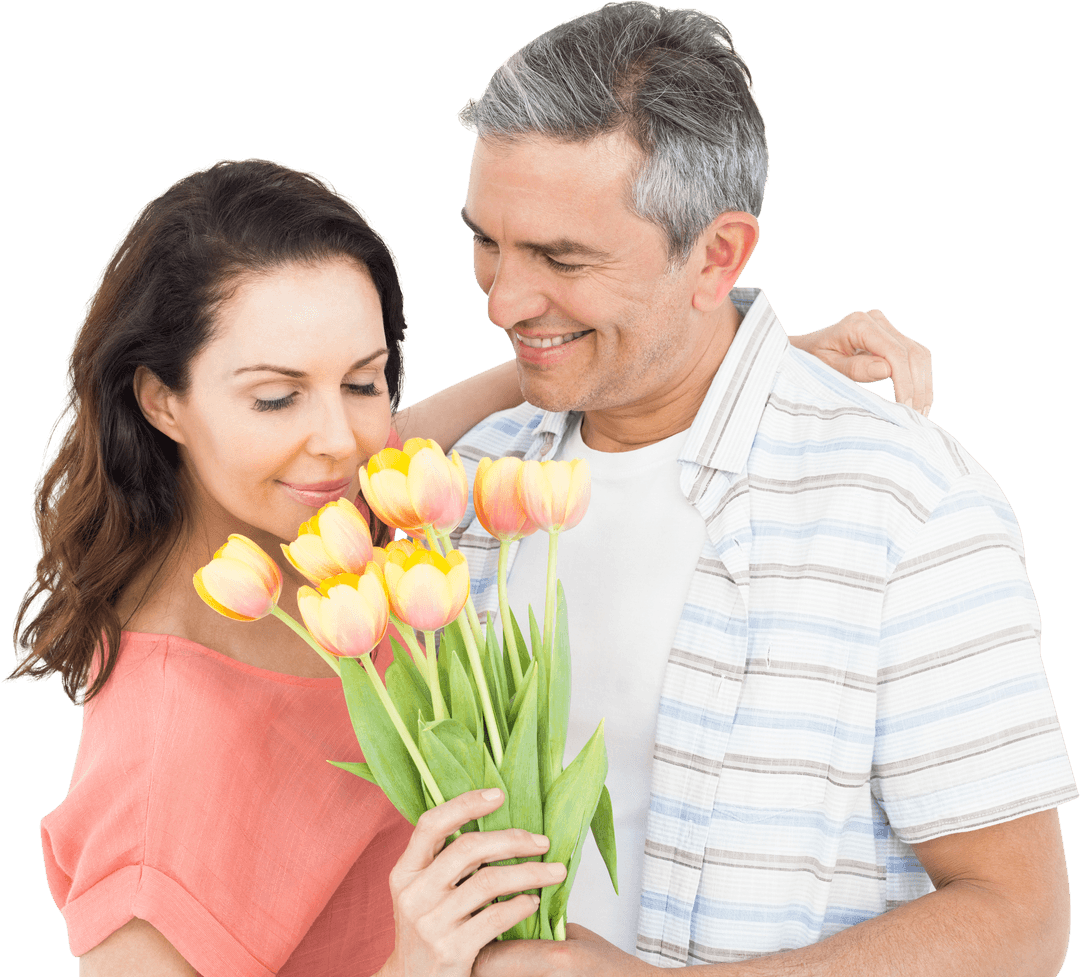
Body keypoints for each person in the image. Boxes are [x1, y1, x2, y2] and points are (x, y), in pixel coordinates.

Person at [8, 157, 922, 976]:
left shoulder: (316, 517)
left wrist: (729, 367)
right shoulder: (161, 756)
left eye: (364, 379)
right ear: (163, 399)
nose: (339, 439)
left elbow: (462, 414)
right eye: (277, 395)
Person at [444, 4, 1076, 975]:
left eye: (562, 259)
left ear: (720, 255)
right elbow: (237, 481)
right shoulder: (471, 484)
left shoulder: (902, 504)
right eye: (489, 240)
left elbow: (1021, 919)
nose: (501, 301)